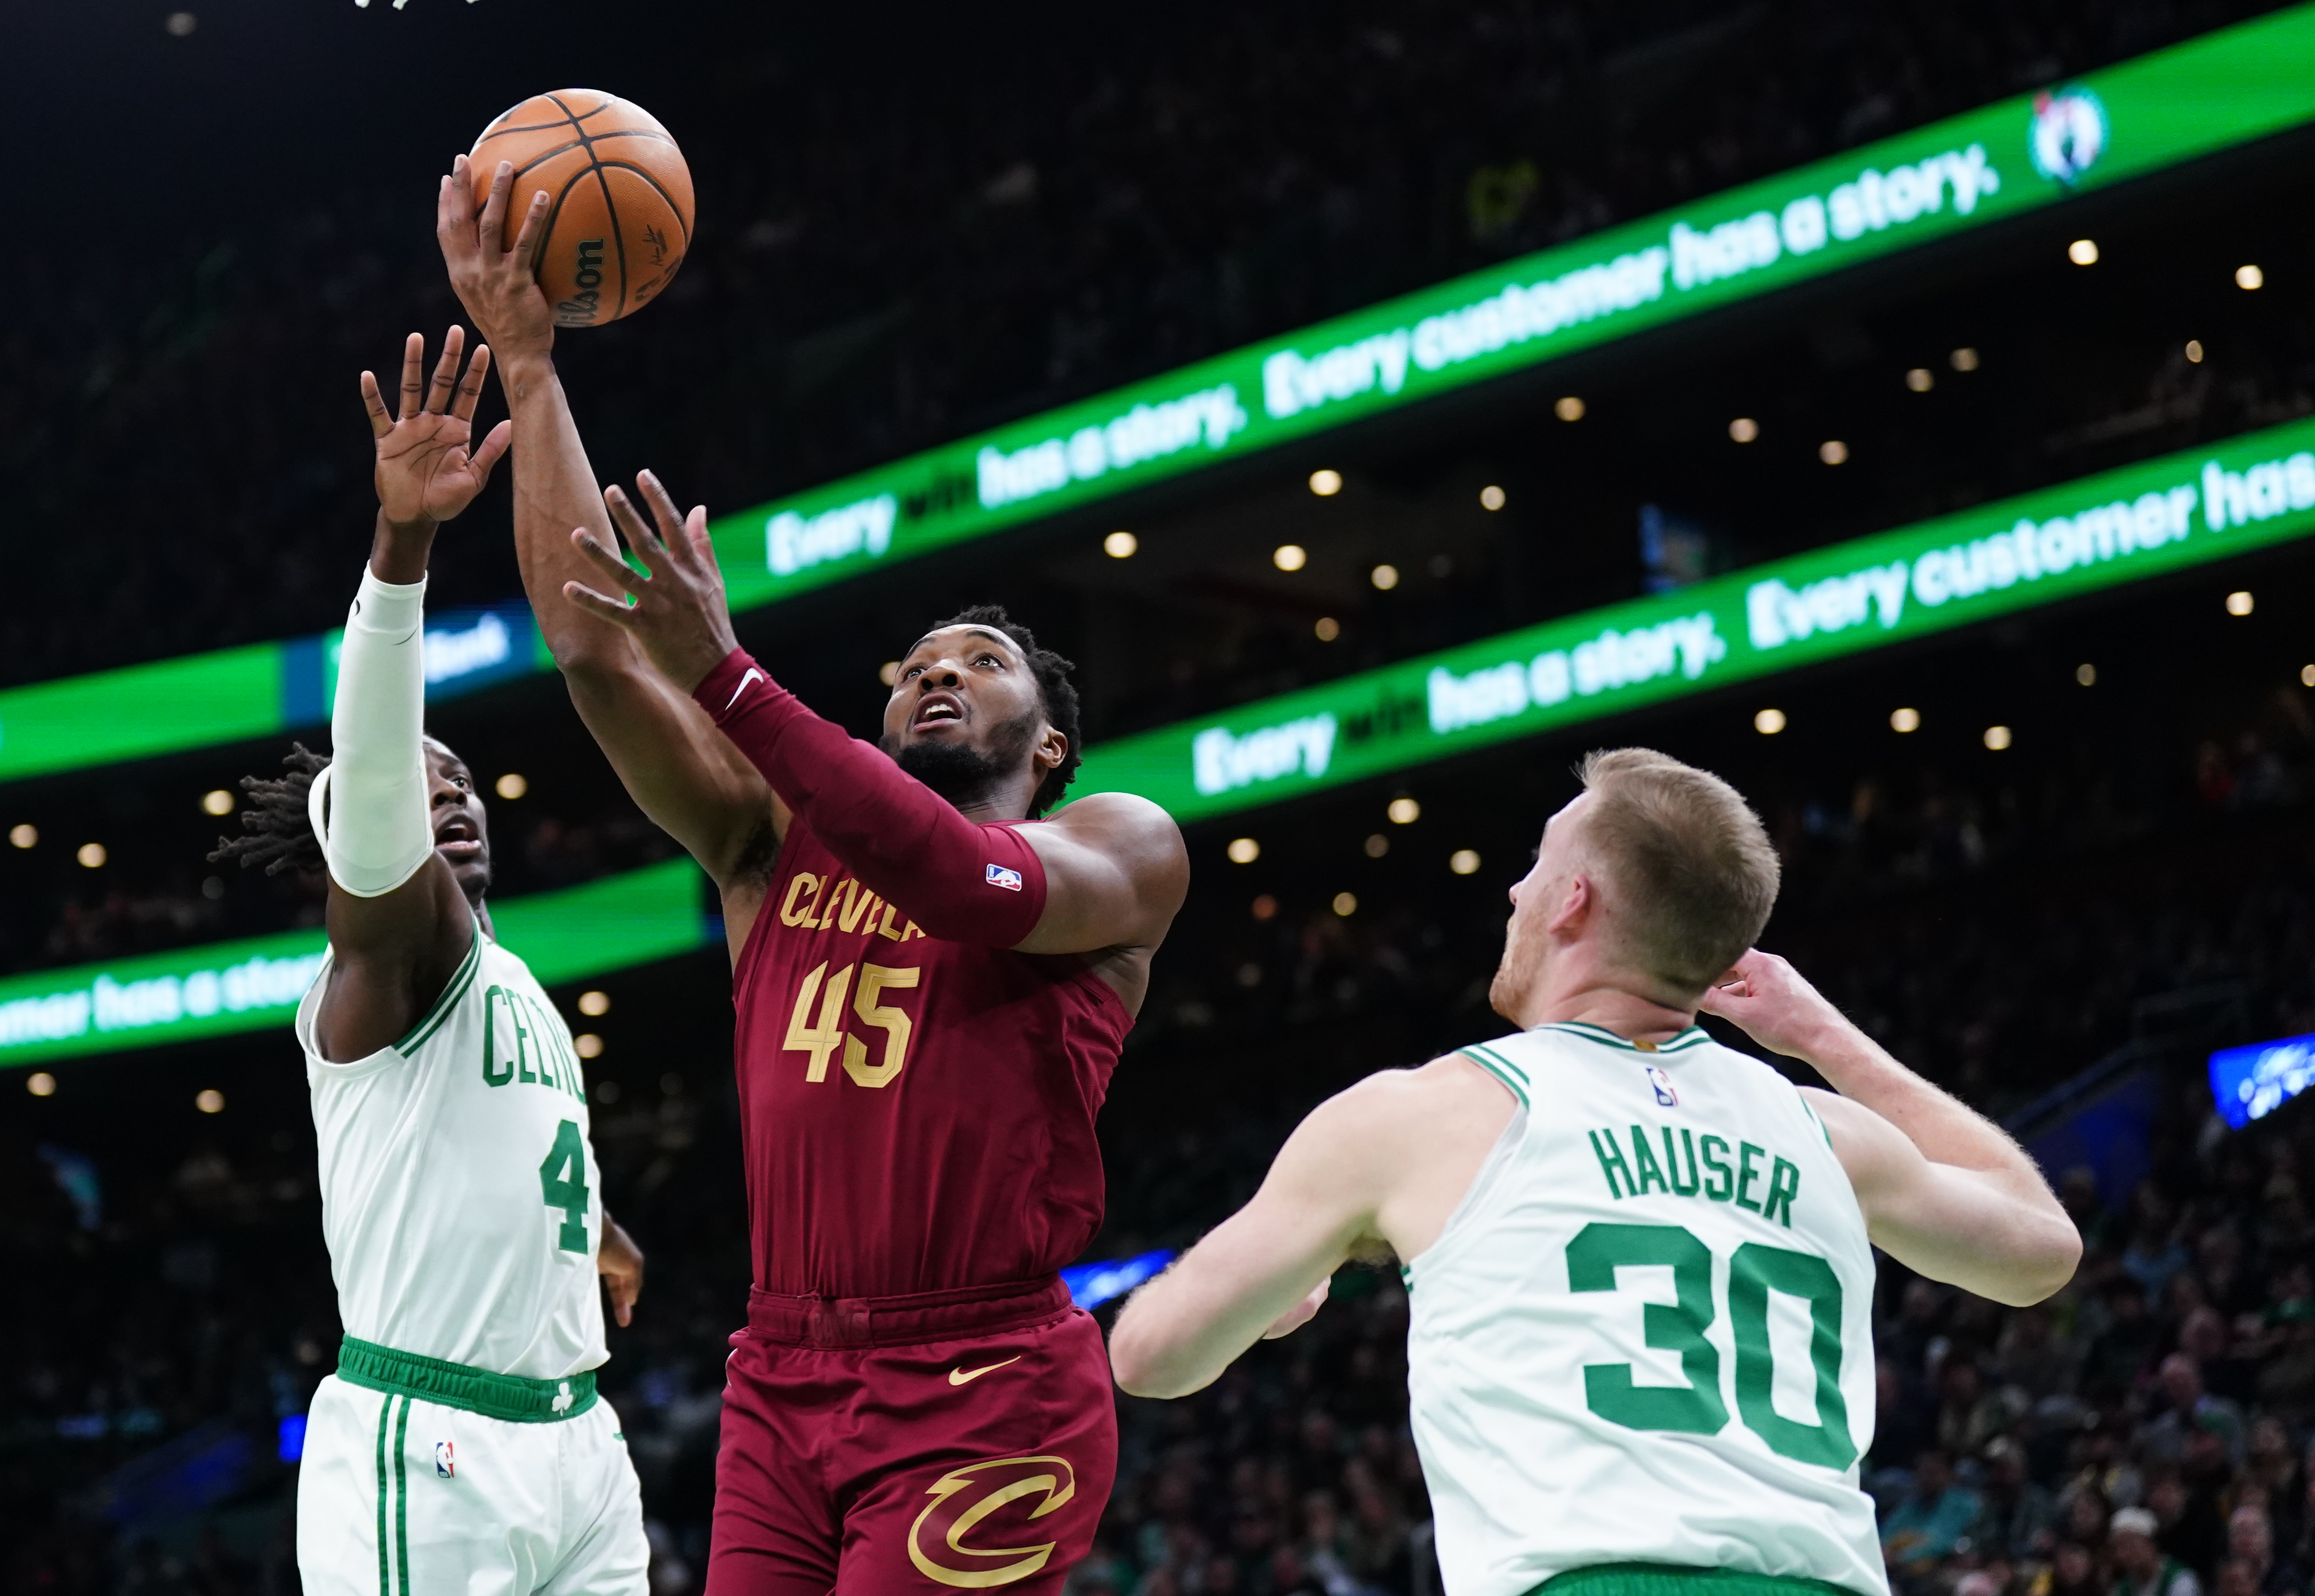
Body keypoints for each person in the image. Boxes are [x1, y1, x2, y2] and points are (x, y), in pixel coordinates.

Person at [436, 159, 1190, 1593]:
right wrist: (532, 370)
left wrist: (727, 673)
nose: (934, 677)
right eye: (912, 667)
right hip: (782, 1376)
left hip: (990, 1387)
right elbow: (594, 646)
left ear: (1055, 743)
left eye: (979, 663)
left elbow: (966, 890)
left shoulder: (1117, 848)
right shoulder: (774, 842)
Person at [1108, 749, 2081, 1596]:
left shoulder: (1423, 1113)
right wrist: (1818, 1034)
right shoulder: (1823, 1129)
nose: (1514, 891)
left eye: (1537, 865)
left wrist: (1259, 1296)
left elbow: (1151, 1355)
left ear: (1574, 898)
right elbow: (2038, 1248)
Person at [212, 328, 649, 1596]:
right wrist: (400, 551)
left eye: (465, 783)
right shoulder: (388, 967)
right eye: (416, 786)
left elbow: (500, 1146)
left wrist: (595, 1234)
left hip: (581, 1440)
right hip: (432, 1445)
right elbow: (383, 763)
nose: (444, 798)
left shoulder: (509, 981)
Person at [2112, 1507, 2202, 1596]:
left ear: (2151, 1544)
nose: (2123, 1555)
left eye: (2131, 1545)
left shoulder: (2179, 1579)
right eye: (2119, 1548)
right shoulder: (2123, 1587)